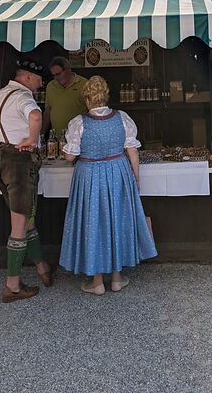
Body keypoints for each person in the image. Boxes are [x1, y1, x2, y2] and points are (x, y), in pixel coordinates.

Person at [59, 75, 157, 294]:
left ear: (87, 98)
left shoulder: (79, 123)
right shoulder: (122, 118)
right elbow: (132, 151)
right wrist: (136, 178)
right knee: (116, 220)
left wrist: (67, 149)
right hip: (118, 172)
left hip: (90, 174)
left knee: (93, 224)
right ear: (106, 96)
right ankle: (116, 279)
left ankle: (96, 282)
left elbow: (69, 157)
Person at [0, 58, 54, 303]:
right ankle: (13, 286)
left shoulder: (0, 95)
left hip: (2, 159)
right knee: (19, 224)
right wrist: (31, 138)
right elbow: (36, 116)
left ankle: (42, 268)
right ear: (27, 76)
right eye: (39, 80)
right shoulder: (23, 96)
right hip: (19, 162)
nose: (40, 85)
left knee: (26, 219)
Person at [43, 56, 87, 137]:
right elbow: (48, 110)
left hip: (79, 137)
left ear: (68, 69)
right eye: (54, 75)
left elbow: (91, 110)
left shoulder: (84, 84)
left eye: (58, 74)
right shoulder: (50, 86)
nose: (56, 78)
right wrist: (42, 132)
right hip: (57, 138)